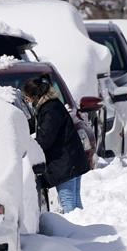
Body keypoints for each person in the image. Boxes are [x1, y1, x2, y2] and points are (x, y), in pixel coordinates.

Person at [23, 77, 91, 213]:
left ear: (36, 96)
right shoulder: (51, 106)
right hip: (71, 160)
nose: (27, 102)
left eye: (27, 98)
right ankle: (82, 231)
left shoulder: (50, 110)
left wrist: (30, 150)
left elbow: (46, 139)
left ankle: (76, 232)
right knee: (75, 203)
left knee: (68, 203)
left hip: (65, 163)